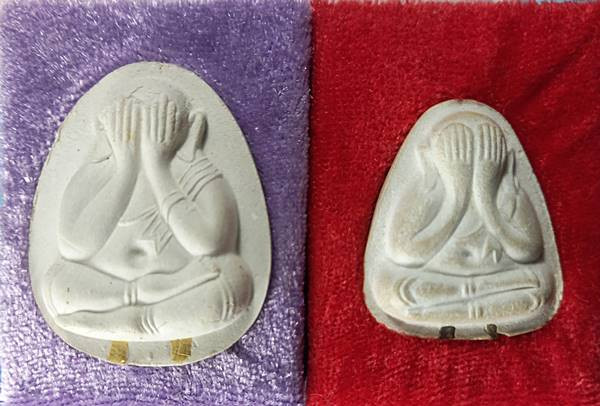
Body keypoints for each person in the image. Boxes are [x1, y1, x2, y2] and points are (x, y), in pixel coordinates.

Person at [43, 86, 252, 341]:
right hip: (105, 290)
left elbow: (207, 243)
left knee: (235, 279)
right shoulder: (97, 172)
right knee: (55, 283)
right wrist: (126, 169)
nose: (143, 132)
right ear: (106, 127)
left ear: (189, 126)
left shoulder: (192, 169)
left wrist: (157, 168)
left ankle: (133, 323)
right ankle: (136, 314)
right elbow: (74, 248)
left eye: (160, 121)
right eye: (127, 122)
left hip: (183, 287)